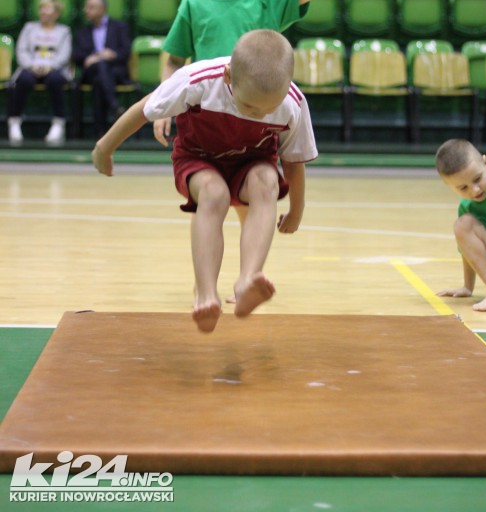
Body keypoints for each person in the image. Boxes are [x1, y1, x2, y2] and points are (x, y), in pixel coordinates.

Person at [92, 29, 318, 333]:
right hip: (199, 158)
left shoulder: (292, 103)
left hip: (251, 162)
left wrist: (296, 210)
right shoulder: (198, 80)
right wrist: (104, 148)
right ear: (228, 77)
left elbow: (293, 163)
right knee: (214, 195)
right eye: (251, 107)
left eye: (269, 109)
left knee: (267, 181)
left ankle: (248, 279)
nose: (261, 115)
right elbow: (144, 110)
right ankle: (207, 294)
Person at [153, 0, 324, 147]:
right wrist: (164, 105)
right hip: (206, 112)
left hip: (256, 114)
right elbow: (174, 61)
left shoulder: (266, 1)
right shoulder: (193, 4)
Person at [435, 138, 486, 312]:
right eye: (463, 188)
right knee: (463, 225)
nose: (475, 190)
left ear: (485, 163)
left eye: (477, 179)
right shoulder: (466, 207)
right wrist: (467, 287)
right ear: (451, 187)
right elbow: (468, 251)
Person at [8, 0, 72, 145]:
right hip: (31, 68)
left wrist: (50, 66)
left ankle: (58, 122)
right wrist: (31, 65)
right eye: (42, 8)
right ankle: (15, 121)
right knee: (24, 79)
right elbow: (21, 50)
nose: (43, 12)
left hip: (54, 69)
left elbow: (65, 54)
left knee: (55, 80)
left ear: (56, 13)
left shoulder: (64, 31)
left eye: (47, 9)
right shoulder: (29, 28)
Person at [73, 0, 131, 138]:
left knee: (100, 76)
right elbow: (77, 55)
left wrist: (113, 54)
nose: (87, 10)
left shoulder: (119, 27)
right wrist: (92, 58)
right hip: (90, 72)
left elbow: (126, 52)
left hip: (115, 70)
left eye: (91, 7)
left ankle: (100, 132)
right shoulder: (82, 32)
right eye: (86, 7)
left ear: (103, 9)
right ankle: (114, 106)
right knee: (100, 68)